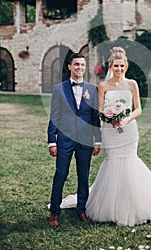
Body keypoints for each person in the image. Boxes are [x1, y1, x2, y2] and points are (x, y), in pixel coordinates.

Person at [60, 47, 151, 226]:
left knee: (130, 161)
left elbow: (138, 108)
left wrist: (125, 119)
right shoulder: (103, 86)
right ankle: (109, 206)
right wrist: (109, 116)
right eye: (116, 66)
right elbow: (99, 109)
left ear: (127, 66)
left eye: (122, 66)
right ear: (111, 66)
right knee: (113, 162)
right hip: (110, 130)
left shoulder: (132, 84)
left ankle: (137, 204)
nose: (119, 69)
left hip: (129, 129)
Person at [47, 52, 101, 227]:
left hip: (85, 139)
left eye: (82, 65)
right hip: (65, 139)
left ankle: (82, 210)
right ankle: (55, 212)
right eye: (76, 64)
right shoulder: (59, 89)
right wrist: (52, 140)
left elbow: (95, 117)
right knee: (61, 174)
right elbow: (54, 116)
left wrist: (97, 140)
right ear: (70, 66)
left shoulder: (92, 89)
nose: (80, 68)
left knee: (83, 176)